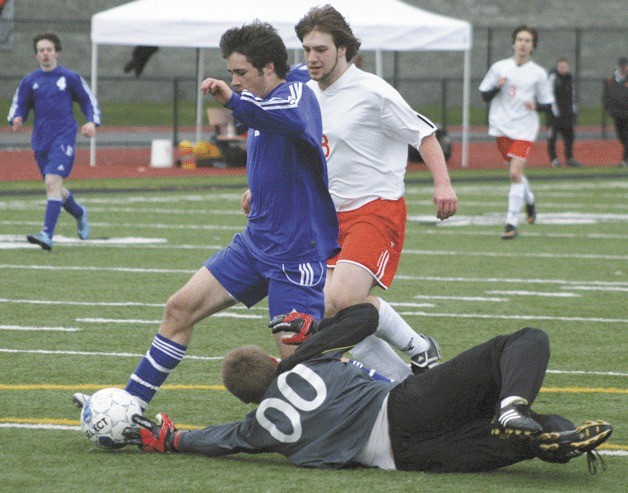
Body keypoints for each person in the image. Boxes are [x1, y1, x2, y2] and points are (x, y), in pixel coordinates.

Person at [74, 21, 339, 412]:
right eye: (231, 72)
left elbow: (289, 119)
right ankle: (128, 405)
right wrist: (259, 189)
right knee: (180, 307)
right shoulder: (263, 100)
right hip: (255, 243)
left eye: (241, 72)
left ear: (268, 68)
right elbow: (281, 146)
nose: (234, 80)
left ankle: (377, 392)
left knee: (302, 365)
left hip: (294, 257)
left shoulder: (295, 93)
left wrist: (234, 99)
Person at [123, 304, 612, 474]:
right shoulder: (303, 360)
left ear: (249, 400)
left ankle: (555, 442)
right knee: (525, 341)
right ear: (275, 362)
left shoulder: (258, 429)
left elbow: (221, 439)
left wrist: (172, 439)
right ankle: (512, 406)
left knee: (528, 442)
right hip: (406, 410)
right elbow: (369, 316)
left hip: (408, 460)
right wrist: (316, 334)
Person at [286, 5, 458, 380]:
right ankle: (404, 385)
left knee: (344, 300)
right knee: (332, 315)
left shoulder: (372, 91)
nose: (312, 58)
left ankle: (418, 346)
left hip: (374, 208)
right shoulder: (305, 92)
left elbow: (425, 135)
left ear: (343, 49)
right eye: (307, 49)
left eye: (321, 50)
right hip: (329, 219)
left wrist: (442, 183)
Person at [7, 32, 100, 251]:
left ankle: (47, 235)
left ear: (57, 52)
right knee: (56, 187)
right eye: (41, 50)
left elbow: (88, 101)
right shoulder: (31, 80)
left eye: (49, 49)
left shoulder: (69, 77)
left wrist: (91, 122)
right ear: (36, 55)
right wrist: (17, 117)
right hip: (41, 139)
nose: (45, 54)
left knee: (51, 182)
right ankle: (79, 212)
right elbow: (20, 103)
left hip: (64, 135)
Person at [479, 25, 554, 239]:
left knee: (514, 174)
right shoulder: (499, 68)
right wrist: (497, 87)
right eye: (520, 39)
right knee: (516, 173)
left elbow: (548, 105)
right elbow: (484, 95)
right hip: (502, 126)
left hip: (525, 128)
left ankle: (511, 223)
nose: (523, 44)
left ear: (533, 47)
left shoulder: (538, 74)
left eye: (527, 41)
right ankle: (529, 200)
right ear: (513, 43)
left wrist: (536, 107)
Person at [547, 58, 581, 168]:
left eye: (565, 66)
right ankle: (554, 160)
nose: (563, 68)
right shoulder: (553, 78)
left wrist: (574, 111)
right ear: (557, 67)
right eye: (560, 66)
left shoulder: (570, 78)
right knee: (552, 138)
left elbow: (574, 95)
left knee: (570, 138)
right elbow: (549, 95)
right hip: (554, 116)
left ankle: (569, 158)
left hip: (567, 115)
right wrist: (554, 111)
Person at [603, 56, 628, 167]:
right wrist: (608, 109)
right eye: (622, 66)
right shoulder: (611, 79)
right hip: (617, 113)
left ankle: (624, 161)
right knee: (621, 136)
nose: (624, 68)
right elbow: (606, 95)